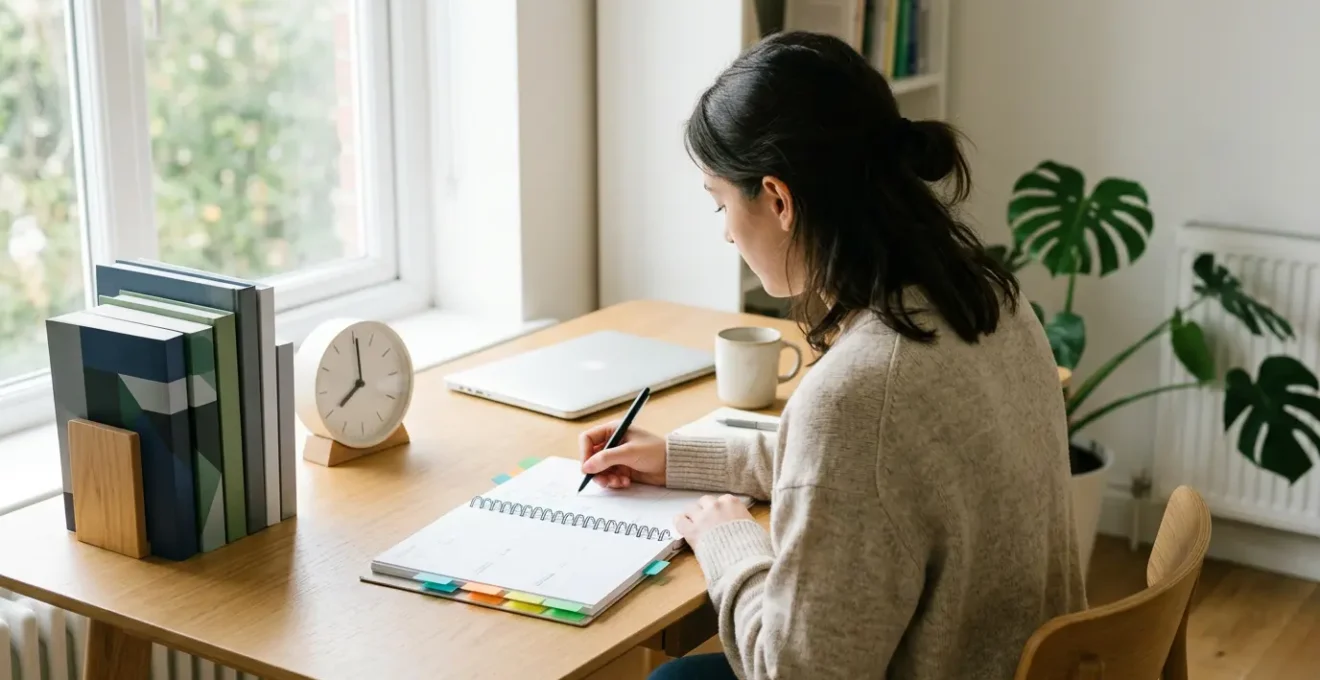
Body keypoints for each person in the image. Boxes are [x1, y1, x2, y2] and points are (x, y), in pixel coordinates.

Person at [578, 31, 1083, 680]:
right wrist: (679, 458)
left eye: (721, 202)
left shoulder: (859, 393)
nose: (727, 232)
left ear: (779, 199)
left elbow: (794, 672)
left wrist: (728, 540)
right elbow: (874, 471)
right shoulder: (987, 299)